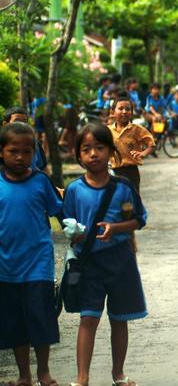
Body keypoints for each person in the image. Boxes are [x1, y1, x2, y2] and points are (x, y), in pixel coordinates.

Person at [64, 123, 147, 386]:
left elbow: (139, 219)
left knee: (119, 319)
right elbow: (68, 222)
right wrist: (74, 235)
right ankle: (82, 378)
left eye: (99, 147)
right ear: (78, 155)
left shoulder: (123, 187)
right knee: (88, 318)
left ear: (111, 152)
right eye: (86, 149)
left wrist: (116, 228)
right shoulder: (74, 189)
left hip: (120, 260)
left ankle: (118, 374)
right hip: (89, 263)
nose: (93, 154)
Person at [0, 123, 62, 386]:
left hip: (38, 264)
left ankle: (43, 372)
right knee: (15, 323)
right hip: (6, 266)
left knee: (41, 319)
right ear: (1, 152)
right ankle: (24, 375)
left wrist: (77, 233)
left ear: (34, 153)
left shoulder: (40, 181)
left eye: (27, 152)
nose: (20, 157)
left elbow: (59, 211)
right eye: (13, 151)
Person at [108, 97, 155, 193]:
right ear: (113, 112)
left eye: (128, 109)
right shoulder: (108, 130)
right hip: (113, 170)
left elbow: (151, 145)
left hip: (131, 171)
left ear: (132, 112)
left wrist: (143, 153)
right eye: (120, 108)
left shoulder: (136, 129)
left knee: (133, 196)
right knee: (115, 196)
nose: (124, 112)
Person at [3, 107, 48, 173]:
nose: (21, 125)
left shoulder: (34, 143)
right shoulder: (2, 143)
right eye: (16, 121)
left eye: (24, 122)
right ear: (5, 124)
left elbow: (43, 168)